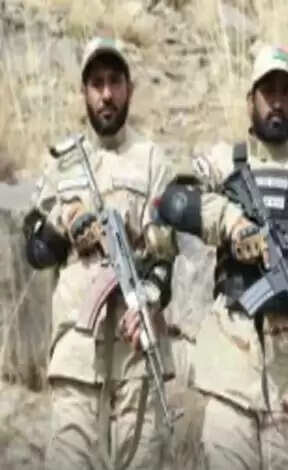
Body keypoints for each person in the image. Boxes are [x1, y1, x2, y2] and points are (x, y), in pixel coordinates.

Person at [156, 44, 288, 469]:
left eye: (286, 93)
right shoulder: (221, 165)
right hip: (230, 369)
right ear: (251, 100)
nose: (277, 103)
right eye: (268, 93)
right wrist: (231, 223)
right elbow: (173, 202)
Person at [24, 37, 177, 469]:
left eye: (114, 82)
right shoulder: (62, 163)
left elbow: (166, 252)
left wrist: (149, 294)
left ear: (129, 88)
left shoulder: (152, 161)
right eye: (97, 84)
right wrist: (66, 221)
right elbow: (36, 250)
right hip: (77, 348)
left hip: (137, 351)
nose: (106, 94)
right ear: (84, 93)